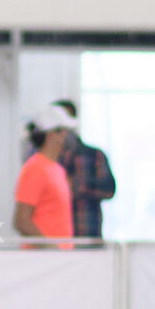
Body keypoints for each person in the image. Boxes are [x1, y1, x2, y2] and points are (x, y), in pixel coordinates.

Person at [54, 100, 116, 239]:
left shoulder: (94, 155)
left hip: (86, 237)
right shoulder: (44, 161)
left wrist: (74, 184)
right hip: (53, 242)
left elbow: (109, 189)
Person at [13, 104, 76, 240]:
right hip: (45, 253)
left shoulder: (57, 169)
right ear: (52, 135)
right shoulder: (35, 168)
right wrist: (50, 246)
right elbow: (22, 221)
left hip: (60, 252)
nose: (68, 137)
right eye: (64, 131)